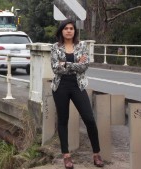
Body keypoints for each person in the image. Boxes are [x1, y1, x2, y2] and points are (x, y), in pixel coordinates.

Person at [50, 19, 104, 169]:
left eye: (71, 28)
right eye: (66, 28)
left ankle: (96, 154)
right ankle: (66, 156)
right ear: (61, 31)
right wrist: (74, 64)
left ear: (74, 31)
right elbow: (55, 68)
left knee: (89, 118)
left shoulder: (81, 47)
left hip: (77, 86)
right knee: (63, 120)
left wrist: (65, 64)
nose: (69, 30)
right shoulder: (55, 47)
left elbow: (84, 66)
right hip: (60, 86)